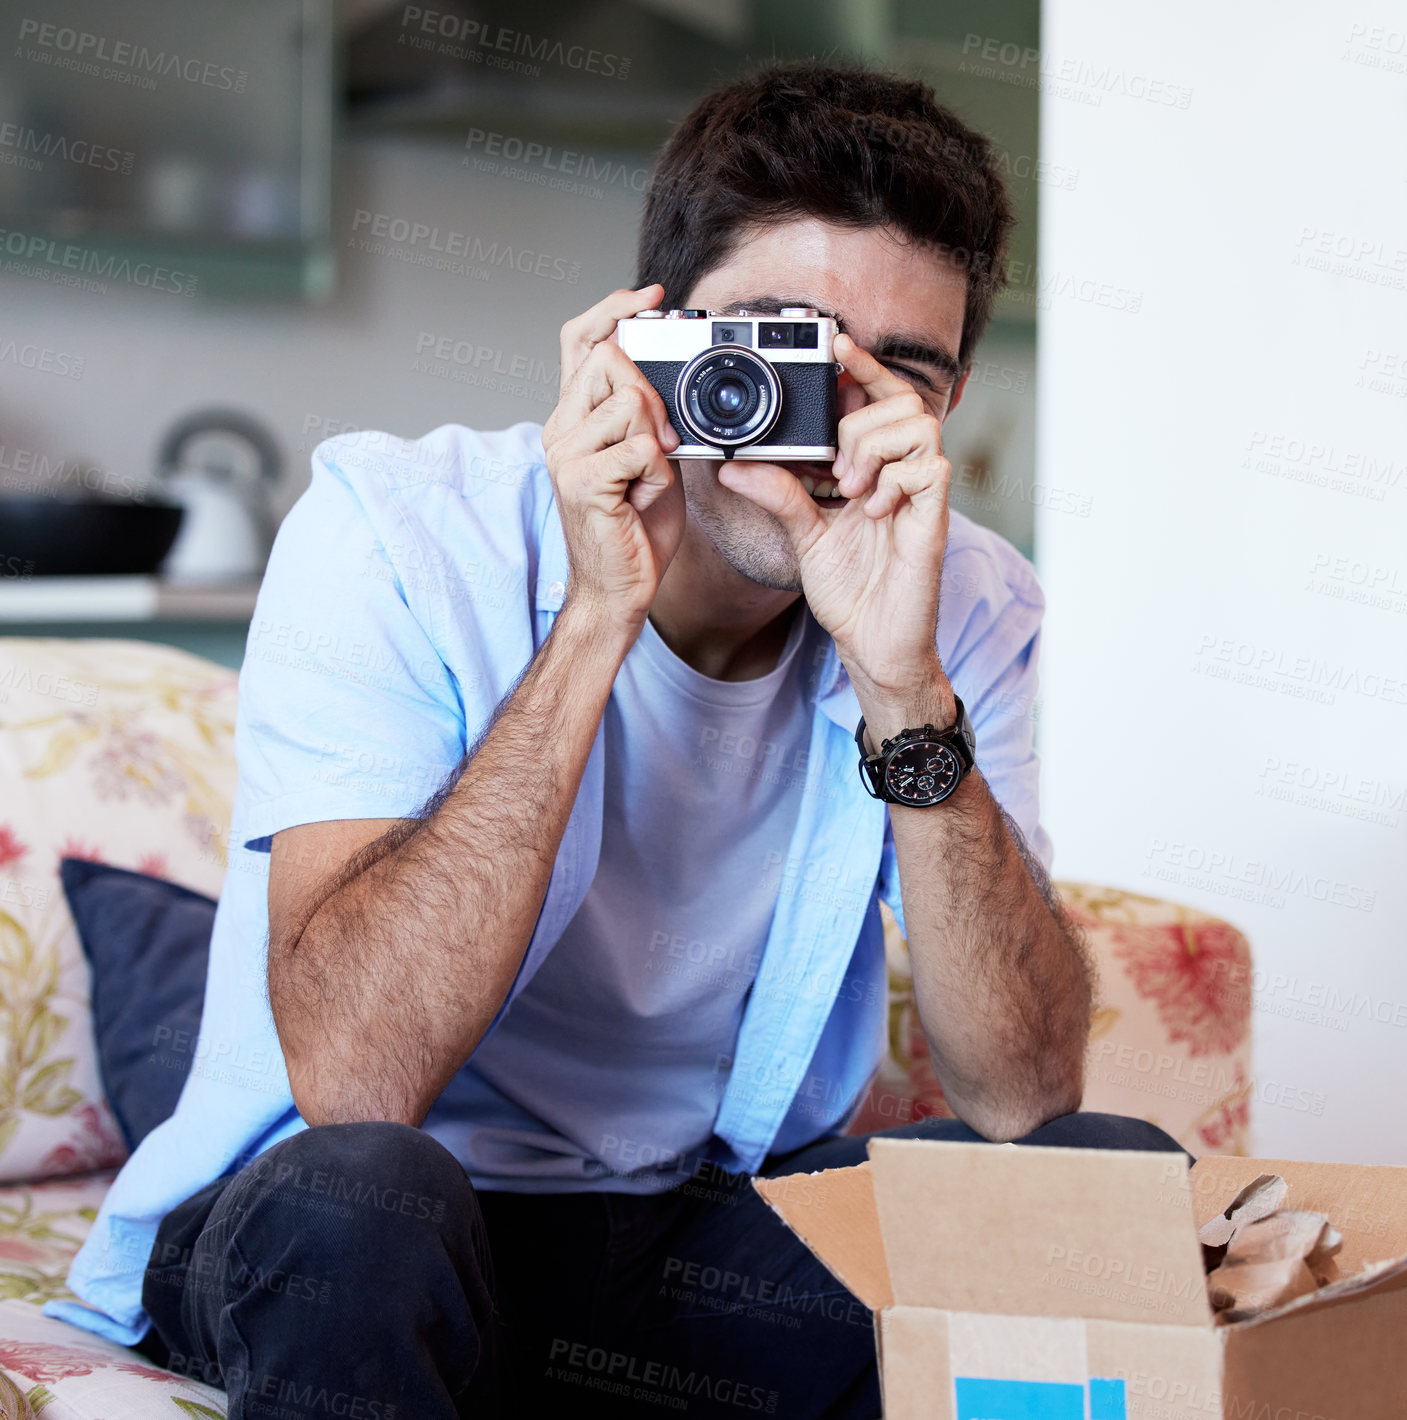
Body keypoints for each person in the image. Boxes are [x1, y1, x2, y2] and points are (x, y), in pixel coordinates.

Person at [48, 59, 1187, 1418]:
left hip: (678, 1231)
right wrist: (597, 613)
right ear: (643, 341)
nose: (815, 426)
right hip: (356, 1226)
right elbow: (358, 1077)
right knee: (369, 1202)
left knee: (1107, 1182)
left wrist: (901, 683)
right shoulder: (400, 532)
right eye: (777, 353)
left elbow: (1023, 1092)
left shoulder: (962, 598)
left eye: (897, 381)